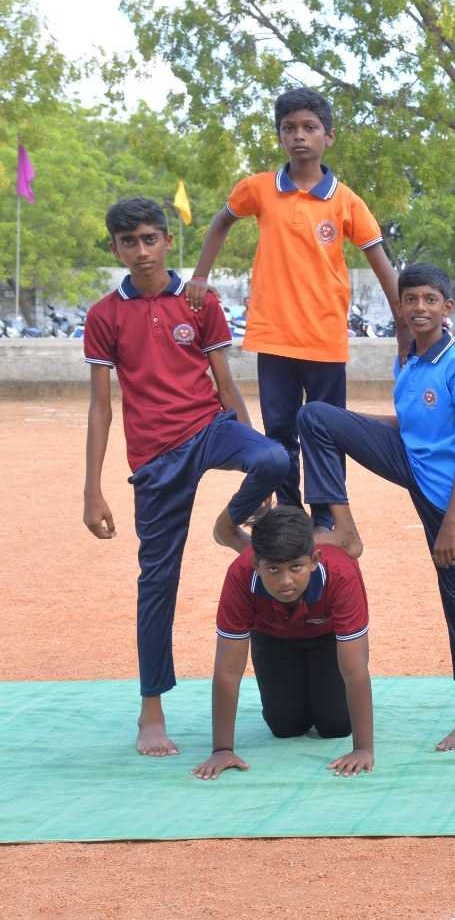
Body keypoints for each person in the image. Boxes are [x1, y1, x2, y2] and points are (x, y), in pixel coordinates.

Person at [81, 197, 290, 758]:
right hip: (155, 458)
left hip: (210, 429)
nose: (142, 251)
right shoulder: (104, 315)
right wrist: (92, 489)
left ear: (168, 241)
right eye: (129, 242)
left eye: (150, 238)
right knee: (157, 582)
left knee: (275, 459)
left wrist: (253, 449)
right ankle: (151, 709)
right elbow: (101, 406)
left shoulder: (200, 302)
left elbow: (225, 383)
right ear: (116, 248)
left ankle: (226, 525)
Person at [184, 88, 404, 528]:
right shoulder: (259, 189)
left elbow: (380, 260)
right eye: (290, 128)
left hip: (324, 338)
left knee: (326, 430)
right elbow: (222, 221)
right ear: (280, 136)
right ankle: (288, 510)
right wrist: (200, 275)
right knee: (280, 430)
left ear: (328, 136)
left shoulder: (345, 201)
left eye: (310, 127)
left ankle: (326, 516)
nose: (299, 136)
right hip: (274, 337)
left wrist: (404, 321)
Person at [297, 262, 455, 752]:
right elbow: (410, 425)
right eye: (411, 300)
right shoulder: (407, 359)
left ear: (447, 308)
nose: (419, 308)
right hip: (407, 459)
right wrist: (350, 423)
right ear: (399, 308)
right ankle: (343, 527)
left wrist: (450, 523)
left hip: (443, 492)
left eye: (430, 300)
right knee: (315, 416)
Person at [193, 507, 375, 780]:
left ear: (314, 560)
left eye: (296, 567)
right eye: (273, 569)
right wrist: (222, 749)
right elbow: (228, 671)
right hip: (272, 638)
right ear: (256, 564)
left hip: (327, 640)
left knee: (335, 725)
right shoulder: (240, 575)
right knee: (285, 726)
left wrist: (363, 749)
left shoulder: (341, 573)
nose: (286, 581)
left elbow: (355, 669)